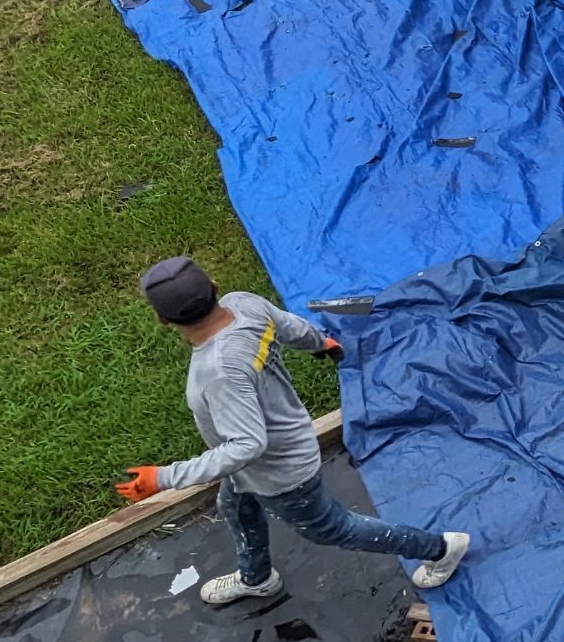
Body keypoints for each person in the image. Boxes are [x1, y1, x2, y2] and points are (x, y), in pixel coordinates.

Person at [115, 256, 470, 605]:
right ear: (214, 287)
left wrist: (165, 477)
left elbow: (247, 444)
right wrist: (321, 342)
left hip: (283, 473)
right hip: (261, 461)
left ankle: (439, 549)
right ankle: (257, 579)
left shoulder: (217, 373)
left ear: (162, 319)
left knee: (334, 529)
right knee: (234, 503)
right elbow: (289, 326)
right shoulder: (243, 304)